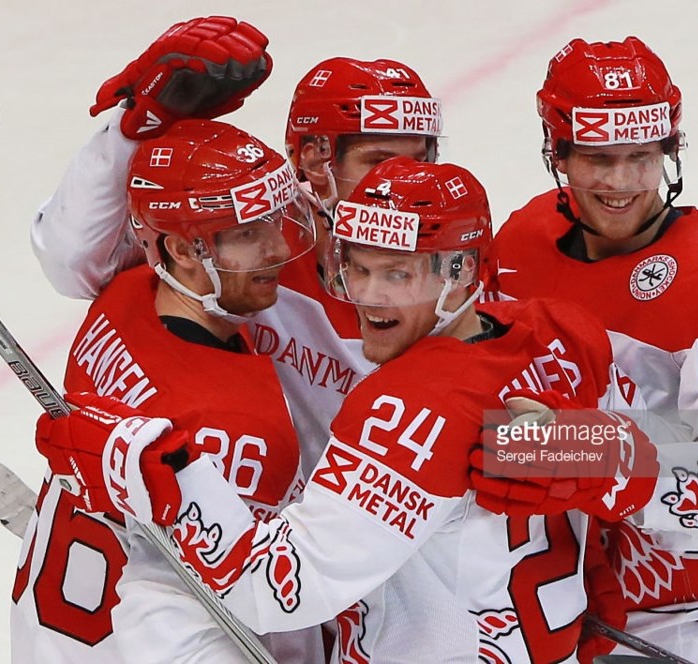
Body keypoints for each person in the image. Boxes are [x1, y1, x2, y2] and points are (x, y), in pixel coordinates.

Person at [37, 156, 649, 663]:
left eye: (397, 274)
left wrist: (152, 468)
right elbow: (668, 476)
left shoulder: (408, 406)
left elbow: (276, 591)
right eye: (357, 267)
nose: (369, 297)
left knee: (153, 601)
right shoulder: (562, 334)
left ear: (461, 275)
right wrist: (602, 531)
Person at [478, 36, 698, 664]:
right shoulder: (521, 242)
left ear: (669, 148)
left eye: (643, 156)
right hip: (558, 619)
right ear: (557, 151)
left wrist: (578, 447)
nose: (621, 182)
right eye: (597, 157)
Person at [33, 51, 444, 477]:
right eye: (380, 163)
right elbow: (73, 263)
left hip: (402, 522)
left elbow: (504, 407)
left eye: (422, 161)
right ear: (314, 161)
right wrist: (127, 135)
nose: (404, 183)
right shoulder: (246, 235)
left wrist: (515, 457)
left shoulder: (459, 263)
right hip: (281, 518)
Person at [13, 116, 323, 662]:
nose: (276, 248)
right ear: (182, 251)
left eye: (274, 221)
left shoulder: (122, 296)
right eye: (248, 234)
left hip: (51, 629)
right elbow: (262, 606)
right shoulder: (242, 430)